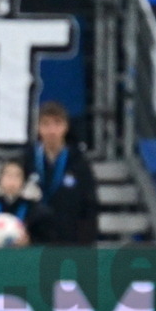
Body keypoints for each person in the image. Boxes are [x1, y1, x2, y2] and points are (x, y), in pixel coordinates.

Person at [21, 100, 99, 245]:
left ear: (66, 127)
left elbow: (89, 205)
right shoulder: (28, 160)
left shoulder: (78, 162)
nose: (52, 130)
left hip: (70, 242)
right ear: (38, 127)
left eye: (57, 123)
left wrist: (86, 243)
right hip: (34, 241)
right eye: (46, 124)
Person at [0, 159, 55, 246]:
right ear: (0, 179)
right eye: (8, 175)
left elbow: (47, 243)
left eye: (17, 176)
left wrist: (30, 242)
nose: (12, 181)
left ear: (24, 181)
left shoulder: (36, 212)